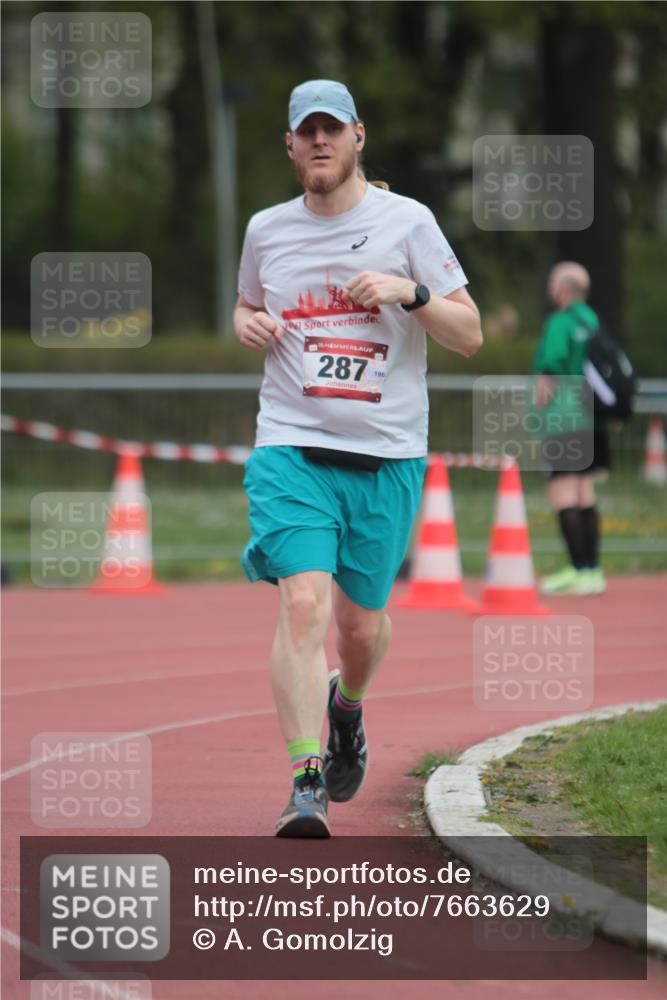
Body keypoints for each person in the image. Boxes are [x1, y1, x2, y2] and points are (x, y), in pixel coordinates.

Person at [234, 79, 482, 838]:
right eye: (305, 132)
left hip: (385, 456)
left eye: (330, 130)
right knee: (302, 603)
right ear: (288, 145)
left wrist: (409, 294)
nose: (318, 142)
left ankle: (347, 708)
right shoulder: (266, 230)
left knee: (359, 629)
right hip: (290, 448)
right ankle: (305, 782)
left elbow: (468, 333)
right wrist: (245, 323)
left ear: (356, 138)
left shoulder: (407, 221)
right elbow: (248, 303)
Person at [534, 262, 608, 596]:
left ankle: (577, 569)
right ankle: (593, 570)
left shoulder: (560, 322)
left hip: (562, 415)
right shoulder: (592, 320)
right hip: (591, 414)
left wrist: (537, 410)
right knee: (585, 493)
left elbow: (550, 365)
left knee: (563, 493)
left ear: (562, 289)